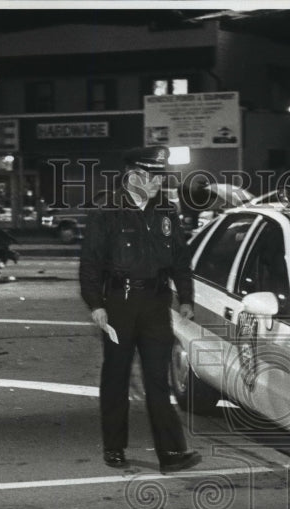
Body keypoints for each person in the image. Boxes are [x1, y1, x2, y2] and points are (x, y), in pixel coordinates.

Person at [78, 145, 201, 473]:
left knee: (158, 380)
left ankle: (171, 454)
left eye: (161, 176)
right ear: (133, 175)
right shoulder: (108, 210)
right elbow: (90, 263)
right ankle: (114, 447)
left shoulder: (166, 210)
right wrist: (96, 305)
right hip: (119, 305)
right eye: (153, 176)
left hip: (156, 305)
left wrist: (186, 299)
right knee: (116, 376)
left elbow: (180, 259)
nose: (159, 182)